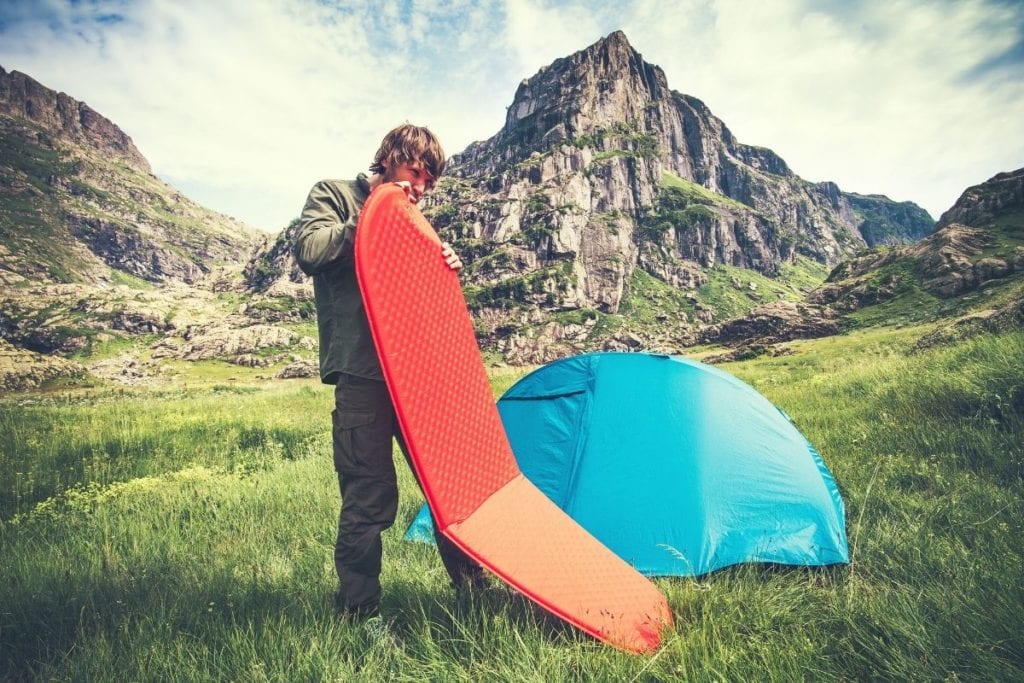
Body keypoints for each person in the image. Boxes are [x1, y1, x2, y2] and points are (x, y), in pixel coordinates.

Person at [293, 123, 485, 620]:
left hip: (419, 380)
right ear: (389, 157)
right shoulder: (335, 195)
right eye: (414, 173)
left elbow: (422, 297)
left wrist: (441, 263)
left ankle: (476, 597)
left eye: (428, 183)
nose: (419, 189)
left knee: (452, 491)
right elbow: (310, 251)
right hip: (364, 378)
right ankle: (360, 614)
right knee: (368, 498)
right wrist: (373, 217)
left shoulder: (413, 220)